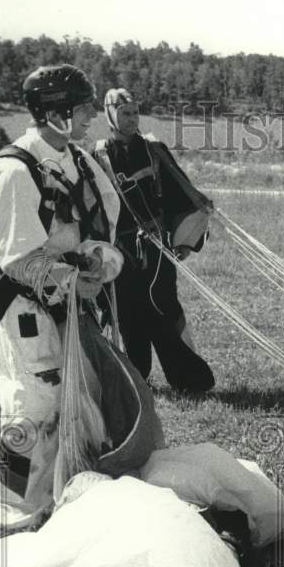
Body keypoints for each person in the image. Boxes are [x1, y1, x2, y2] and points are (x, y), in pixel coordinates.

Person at [0, 64, 125, 528]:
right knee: (32, 409)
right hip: (27, 309)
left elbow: (93, 228)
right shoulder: (11, 172)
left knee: (77, 403)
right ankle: (10, 510)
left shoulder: (77, 162)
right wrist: (77, 279)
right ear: (54, 113)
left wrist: (98, 262)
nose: (91, 115)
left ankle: (56, 501)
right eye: (82, 108)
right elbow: (18, 260)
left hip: (71, 304)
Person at [92, 89, 215, 394]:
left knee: (165, 309)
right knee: (126, 315)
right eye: (125, 113)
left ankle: (188, 380)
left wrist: (185, 240)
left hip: (158, 246)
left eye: (135, 112)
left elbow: (180, 192)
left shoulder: (154, 150)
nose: (132, 119)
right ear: (110, 115)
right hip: (119, 253)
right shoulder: (96, 156)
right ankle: (134, 380)